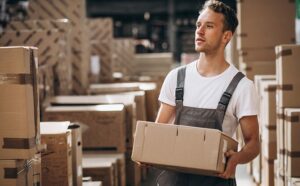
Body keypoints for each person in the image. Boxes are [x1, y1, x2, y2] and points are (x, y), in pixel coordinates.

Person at [154, 0, 260, 185]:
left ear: (226, 36)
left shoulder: (242, 86)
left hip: (216, 181)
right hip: (175, 180)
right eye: (198, 25)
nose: (199, 31)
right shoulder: (176, 78)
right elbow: (158, 130)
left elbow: (253, 144)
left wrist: (236, 159)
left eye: (209, 26)